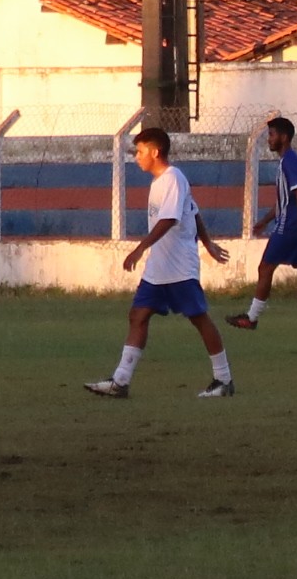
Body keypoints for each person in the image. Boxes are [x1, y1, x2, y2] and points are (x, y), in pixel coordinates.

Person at [87, 123, 235, 401]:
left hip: (179, 266)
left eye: (140, 151)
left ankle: (224, 379)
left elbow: (170, 219)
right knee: (138, 315)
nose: (136, 157)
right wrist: (208, 242)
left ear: (155, 152)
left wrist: (140, 247)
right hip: (159, 267)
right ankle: (120, 381)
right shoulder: (160, 182)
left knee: (199, 318)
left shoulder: (172, 178)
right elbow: (195, 212)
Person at [233, 113, 297, 331]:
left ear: (284, 137)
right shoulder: (288, 161)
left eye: (271, 134)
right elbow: (284, 201)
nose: (269, 139)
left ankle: (251, 318)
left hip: (291, 225)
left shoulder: (290, 161)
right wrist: (265, 220)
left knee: (266, 266)